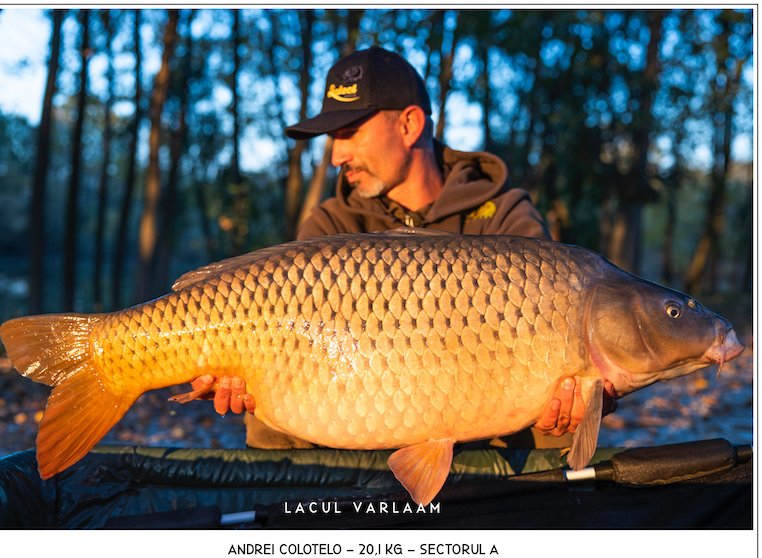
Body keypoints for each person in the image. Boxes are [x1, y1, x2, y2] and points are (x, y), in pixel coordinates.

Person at [178, 46, 616, 450]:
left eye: (348, 133)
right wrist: (239, 372)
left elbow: (559, 334)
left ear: (409, 125)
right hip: (353, 410)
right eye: (333, 138)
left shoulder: (502, 213)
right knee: (266, 411)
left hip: (482, 437)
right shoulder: (331, 223)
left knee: (563, 419)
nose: (335, 156)